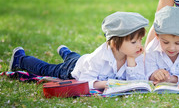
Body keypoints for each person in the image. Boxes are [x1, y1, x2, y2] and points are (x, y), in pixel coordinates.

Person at [9, 11, 149, 90]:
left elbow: (136, 82)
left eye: (140, 40)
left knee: (75, 57)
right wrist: (105, 84)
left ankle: (66, 52)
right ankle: (19, 59)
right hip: (72, 70)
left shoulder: (133, 54)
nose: (139, 45)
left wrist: (131, 61)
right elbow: (84, 81)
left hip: (82, 60)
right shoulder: (99, 57)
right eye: (133, 42)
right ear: (115, 42)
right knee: (46, 69)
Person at [145, 6, 179, 85]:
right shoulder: (151, 49)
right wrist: (155, 75)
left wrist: (172, 79)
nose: (172, 48)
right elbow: (147, 74)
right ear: (157, 36)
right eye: (166, 42)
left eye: (178, 43)